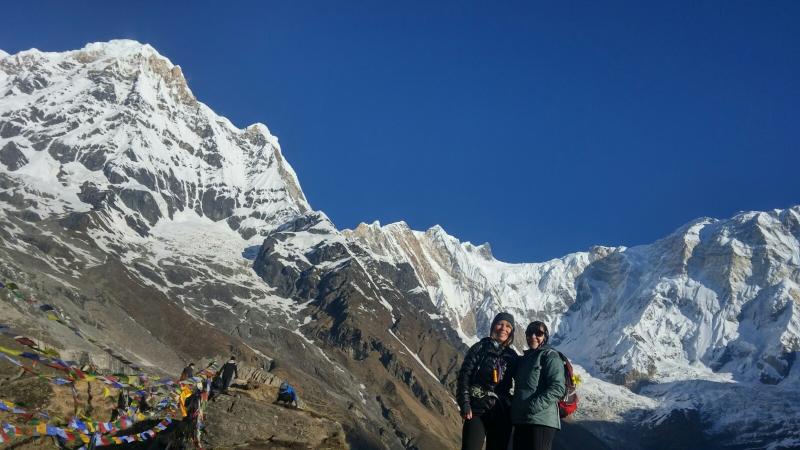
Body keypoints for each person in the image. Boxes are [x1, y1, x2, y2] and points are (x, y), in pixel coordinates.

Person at [456, 312, 518, 450]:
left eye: (508, 326)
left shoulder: (512, 356)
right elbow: (464, 376)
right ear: (493, 326)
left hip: (502, 413)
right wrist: (465, 403)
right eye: (500, 324)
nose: (503, 328)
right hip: (477, 409)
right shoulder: (479, 348)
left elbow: (523, 382)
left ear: (512, 331)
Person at [511, 321, 566, 450]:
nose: (533, 336)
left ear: (545, 336)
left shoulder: (550, 356)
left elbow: (558, 388)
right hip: (522, 420)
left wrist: (533, 406)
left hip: (541, 421)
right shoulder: (525, 359)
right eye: (529, 333)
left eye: (539, 333)